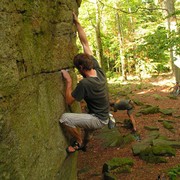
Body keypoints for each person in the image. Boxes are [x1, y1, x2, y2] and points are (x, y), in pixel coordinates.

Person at [60, 12, 109, 153]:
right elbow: (85, 42)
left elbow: (69, 101)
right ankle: (86, 143)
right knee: (89, 131)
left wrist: (68, 81)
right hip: (102, 113)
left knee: (64, 119)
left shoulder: (85, 84)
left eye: (76, 68)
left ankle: (79, 142)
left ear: (81, 68)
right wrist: (77, 22)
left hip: (98, 119)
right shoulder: (97, 68)